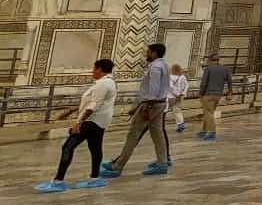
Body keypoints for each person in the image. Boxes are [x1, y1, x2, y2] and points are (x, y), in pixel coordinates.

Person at [35, 58, 116, 193]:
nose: (92, 71)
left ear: (100, 69)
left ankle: (58, 181)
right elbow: (91, 101)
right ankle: (94, 178)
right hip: (99, 121)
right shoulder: (107, 82)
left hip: (91, 121)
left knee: (68, 146)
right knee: (95, 148)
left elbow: (93, 105)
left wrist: (79, 123)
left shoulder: (102, 84)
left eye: (94, 68)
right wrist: (72, 110)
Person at [102, 43, 172, 178]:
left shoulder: (155, 67)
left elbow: (153, 89)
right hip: (160, 104)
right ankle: (162, 163)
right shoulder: (164, 65)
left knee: (133, 135)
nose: (147, 54)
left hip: (150, 105)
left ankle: (117, 166)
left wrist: (145, 107)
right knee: (158, 135)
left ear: (155, 53)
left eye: (149, 52)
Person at [196, 53, 232, 141]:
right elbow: (230, 81)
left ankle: (212, 132)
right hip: (218, 95)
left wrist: (200, 92)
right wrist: (230, 92)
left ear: (210, 60)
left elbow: (204, 82)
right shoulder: (225, 69)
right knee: (209, 113)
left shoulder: (208, 69)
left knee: (208, 113)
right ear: (218, 60)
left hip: (208, 94)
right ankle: (204, 131)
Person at [167, 62, 189, 137]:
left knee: (168, 110)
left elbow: (170, 87)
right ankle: (180, 123)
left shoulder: (170, 77)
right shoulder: (183, 77)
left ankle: (180, 124)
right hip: (180, 96)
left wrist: (176, 94)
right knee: (177, 110)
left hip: (171, 96)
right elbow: (186, 85)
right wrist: (183, 93)